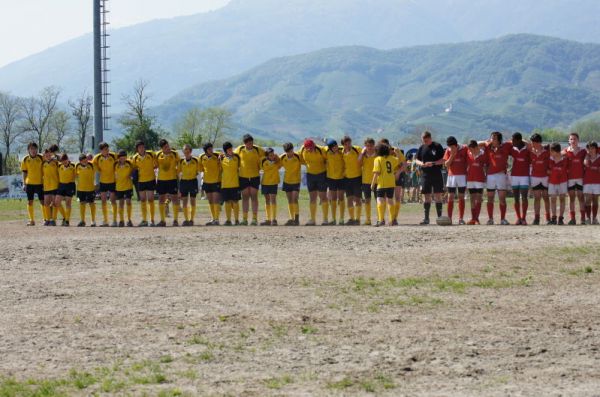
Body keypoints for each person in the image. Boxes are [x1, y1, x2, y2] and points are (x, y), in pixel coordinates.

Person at [480, 132, 512, 225]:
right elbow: (476, 143)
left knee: (502, 198)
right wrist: (486, 142)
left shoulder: (505, 146)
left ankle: (503, 219)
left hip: (501, 175)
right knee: (490, 197)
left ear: (499, 140)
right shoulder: (488, 147)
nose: (491, 140)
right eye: (491, 138)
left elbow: (516, 140)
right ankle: (490, 219)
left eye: (494, 138)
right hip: (490, 175)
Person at [414, 131, 445, 225]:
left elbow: (444, 160)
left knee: (438, 196)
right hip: (425, 175)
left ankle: (439, 218)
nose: (425, 142)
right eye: (423, 140)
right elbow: (416, 160)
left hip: (436, 174)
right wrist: (423, 164)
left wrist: (433, 163)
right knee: (426, 196)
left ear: (430, 138)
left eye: (426, 140)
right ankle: (426, 219)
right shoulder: (421, 147)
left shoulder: (437, 146)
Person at [235, 134, 265, 226]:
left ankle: (254, 219)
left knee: (254, 197)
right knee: (245, 197)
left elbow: (267, 154)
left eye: (251, 142)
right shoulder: (239, 149)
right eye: (248, 143)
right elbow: (232, 155)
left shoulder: (257, 149)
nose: (250, 144)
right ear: (244, 143)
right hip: (243, 177)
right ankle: (244, 219)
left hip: (254, 176)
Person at [299, 139, 328, 226]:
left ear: (314, 145)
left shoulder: (322, 150)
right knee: (312, 198)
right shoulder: (303, 149)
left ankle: (325, 219)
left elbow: (328, 159)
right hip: (310, 175)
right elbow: (300, 159)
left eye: (311, 148)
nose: (310, 150)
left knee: (323, 197)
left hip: (321, 175)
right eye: (308, 148)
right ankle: (312, 219)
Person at [371, 143, 400, 227]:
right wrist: (397, 153)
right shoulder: (392, 158)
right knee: (390, 200)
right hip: (391, 182)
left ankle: (380, 220)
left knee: (379, 199)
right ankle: (391, 221)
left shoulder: (377, 159)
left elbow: (376, 173)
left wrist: (372, 184)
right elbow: (397, 160)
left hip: (382, 183)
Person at [131, 140, 157, 227]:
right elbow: (134, 168)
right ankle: (144, 220)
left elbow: (156, 164)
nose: (141, 149)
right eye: (139, 147)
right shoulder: (135, 158)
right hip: (141, 181)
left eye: (142, 147)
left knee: (150, 199)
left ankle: (152, 220)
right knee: (142, 200)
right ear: (137, 149)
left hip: (150, 180)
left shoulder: (151, 154)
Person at [443, 136, 468, 225]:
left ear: (456, 145)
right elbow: (446, 164)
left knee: (461, 197)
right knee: (450, 197)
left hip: (462, 176)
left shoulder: (464, 148)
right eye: (449, 146)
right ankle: (449, 218)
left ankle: (461, 218)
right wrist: (452, 155)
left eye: (452, 146)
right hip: (451, 176)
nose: (451, 148)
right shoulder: (448, 150)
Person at [380, 138, 406, 225]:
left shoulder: (396, 150)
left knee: (397, 197)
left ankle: (394, 218)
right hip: (387, 177)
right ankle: (382, 219)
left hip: (397, 175)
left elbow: (404, 164)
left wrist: (398, 173)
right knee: (384, 198)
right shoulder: (380, 153)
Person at [156, 139, 181, 227]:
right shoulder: (158, 154)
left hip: (172, 179)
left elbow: (180, 163)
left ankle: (175, 220)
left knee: (175, 199)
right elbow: (155, 165)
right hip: (161, 180)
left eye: (168, 146)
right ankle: (162, 221)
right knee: (161, 199)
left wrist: (177, 171)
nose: (168, 148)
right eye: (165, 147)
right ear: (162, 148)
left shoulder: (174, 153)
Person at [564, 133, 587, 225]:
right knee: (571, 198)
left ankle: (582, 219)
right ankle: (572, 219)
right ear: (569, 141)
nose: (573, 141)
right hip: (570, 178)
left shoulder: (583, 151)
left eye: (575, 139)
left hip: (580, 178)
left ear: (578, 140)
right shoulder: (565, 151)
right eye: (571, 139)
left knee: (581, 197)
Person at [20, 142, 44, 226]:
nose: (33, 150)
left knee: (42, 201)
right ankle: (31, 220)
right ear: (28, 150)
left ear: (37, 149)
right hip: (29, 184)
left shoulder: (41, 157)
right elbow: (24, 172)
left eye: (34, 149)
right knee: (30, 202)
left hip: (40, 183)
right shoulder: (25, 159)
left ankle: (45, 219)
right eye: (31, 149)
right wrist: (24, 183)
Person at [529, 133, 551, 225]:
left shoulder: (547, 152)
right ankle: (536, 218)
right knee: (537, 198)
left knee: (546, 197)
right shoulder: (531, 152)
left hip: (545, 177)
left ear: (539, 143)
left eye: (533, 142)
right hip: (535, 177)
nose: (532, 144)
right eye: (531, 142)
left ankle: (548, 218)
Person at [510, 132, 531, 225]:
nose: (512, 142)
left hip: (524, 176)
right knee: (516, 198)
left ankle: (524, 218)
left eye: (513, 140)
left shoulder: (527, 149)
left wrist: (523, 140)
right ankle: (518, 218)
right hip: (514, 175)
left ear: (519, 140)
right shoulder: (512, 149)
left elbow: (530, 145)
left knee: (524, 197)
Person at [341, 136, 362, 225]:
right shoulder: (341, 152)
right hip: (347, 178)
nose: (348, 145)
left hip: (357, 177)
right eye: (346, 144)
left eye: (349, 143)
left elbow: (365, 152)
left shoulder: (357, 149)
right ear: (343, 145)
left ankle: (357, 219)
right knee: (349, 199)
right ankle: (351, 218)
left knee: (357, 199)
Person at [200, 143, 222, 225]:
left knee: (216, 200)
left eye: (212, 148)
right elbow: (200, 168)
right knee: (210, 201)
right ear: (206, 151)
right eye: (209, 149)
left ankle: (217, 219)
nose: (211, 150)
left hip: (216, 181)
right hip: (206, 182)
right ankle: (213, 219)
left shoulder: (217, 155)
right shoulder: (202, 157)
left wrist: (221, 156)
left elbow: (222, 155)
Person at [179, 144, 201, 226]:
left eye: (188, 149)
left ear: (190, 151)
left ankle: (191, 219)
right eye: (185, 149)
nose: (186, 151)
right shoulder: (181, 161)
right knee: (184, 201)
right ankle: (186, 219)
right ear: (183, 151)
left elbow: (198, 171)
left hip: (192, 182)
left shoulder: (196, 160)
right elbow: (179, 172)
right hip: (184, 182)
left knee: (192, 201)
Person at [280, 142, 302, 226]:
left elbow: (306, 161)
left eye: (291, 150)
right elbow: (276, 164)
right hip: (287, 181)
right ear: (285, 152)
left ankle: (297, 219)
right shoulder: (282, 157)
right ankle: (291, 218)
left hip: (296, 181)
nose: (290, 153)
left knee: (295, 199)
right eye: (288, 151)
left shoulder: (298, 156)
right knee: (289, 200)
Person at [466, 140, 487, 225]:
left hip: (479, 179)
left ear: (476, 147)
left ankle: (476, 218)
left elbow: (486, 166)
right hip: (470, 179)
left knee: (478, 198)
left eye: (471, 149)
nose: (470, 151)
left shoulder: (483, 154)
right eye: (469, 149)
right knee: (472, 198)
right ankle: (473, 218)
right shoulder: (468, 153)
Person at [220, 142, 241, 226]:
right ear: (225, 151)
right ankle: (228, 220)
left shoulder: (237, 157)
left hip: (235, 184)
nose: (231, 150)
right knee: (227, 202)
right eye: (229, 149)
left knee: (235, 202)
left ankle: (236, 220)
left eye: (231, 149)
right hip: (225, 184)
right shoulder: (221, 158)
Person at [325, 139, 345, 225]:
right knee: (333, 198)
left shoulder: (342, 151)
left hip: (341, 178)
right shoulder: (326, 153)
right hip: (331, 178)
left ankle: (341, 219)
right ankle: (333, 219)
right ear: (330, 148)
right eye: (333, 147)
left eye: (336, 145)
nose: (335, 147)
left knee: (341, 198)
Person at [548, 143, 568, 225]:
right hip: (552, 182)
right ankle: (553, 218)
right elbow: (548, 170)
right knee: (553, 199)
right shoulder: (550, 159)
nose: (550, 153)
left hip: (562, 181)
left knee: (562, 199)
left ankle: (561, 218)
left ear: (556, 151)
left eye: (551, 151)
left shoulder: (565, 159)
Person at [260, 148, 282, 225]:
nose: (272, 156)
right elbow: (260, 165)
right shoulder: (263, 161)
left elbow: (280, 164)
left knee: (273, 199)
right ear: (267, 156)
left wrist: (277, 158)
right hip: (265, 183)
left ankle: (274, 219)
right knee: (267, 200)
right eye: (270, 155)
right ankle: (268, 219)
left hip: (274, 183)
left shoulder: (277, 161)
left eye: (273, 154)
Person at [358, 138, 377, 225]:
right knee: (367, 200)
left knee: (379, 200)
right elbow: (358, 163)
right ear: (365, 146)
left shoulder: (377, 154)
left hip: (377, 180)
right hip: (366, 180)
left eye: (371, 145)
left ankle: (380, 218)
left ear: (374, 145)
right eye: (367, 146)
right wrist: (362, 153)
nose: (369, 147)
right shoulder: (363, 155)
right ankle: (368, 219)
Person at [114, 150, 135, 227]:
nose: (122, 158)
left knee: (128, 202)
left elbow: (134, 168)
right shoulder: (115, 164)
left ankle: (129, 220)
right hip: (119, 187)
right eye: (121, 157)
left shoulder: (129, 163)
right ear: (118, 158)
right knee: (121, 203)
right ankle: (121, 220)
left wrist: (131, 175)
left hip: (128, 186)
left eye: (124, 157)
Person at [75, 154, 97, 227]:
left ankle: (93, 221)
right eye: (83, 161)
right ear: (80, 161)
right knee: (82, 203)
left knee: (91, 203)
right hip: (81, 188)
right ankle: (82, 220)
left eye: (86, 160)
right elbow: (75, 175)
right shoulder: (77, 166)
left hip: (90, 188)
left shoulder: (92, 165)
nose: (85, 161)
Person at [56, 154, 76, 226]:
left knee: (68, 203)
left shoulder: (73, 166)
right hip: (61, 185)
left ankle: (67, 221)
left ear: (68, 159)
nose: (64, 162)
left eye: (65, 160)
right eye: (62, 161)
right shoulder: (59, 166)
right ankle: (65, 217)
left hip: (70, 185)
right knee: (57, 202)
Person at [583, 141, 600, 224]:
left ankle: (595, 218)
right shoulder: (586, 157)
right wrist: (587, 157)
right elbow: (585, 164)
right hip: (587, 181)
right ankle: (588, 218)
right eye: (589, 148)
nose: (591, 150)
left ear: (596, 149)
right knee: (588, 199)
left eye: (592, 148)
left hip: (597, 182)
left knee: (595, 199)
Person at [42, 148, 59, 226]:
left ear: (51, 154)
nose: (48, 156)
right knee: (46, 203)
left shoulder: (55, 162)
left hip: (54, 185)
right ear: (44, 156)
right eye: (46, 155)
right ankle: (48, 219)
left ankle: (53, 220)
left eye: (49, 154)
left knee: (54, 203)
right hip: (46, 186)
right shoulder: (43, 163)